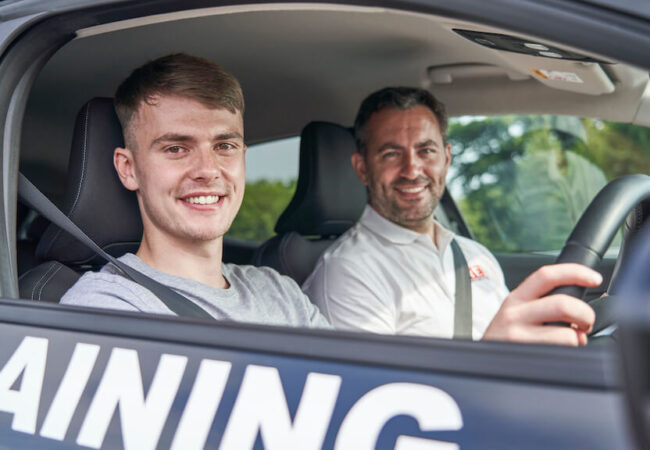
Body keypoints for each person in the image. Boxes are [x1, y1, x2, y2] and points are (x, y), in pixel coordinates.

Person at [303, 87, 600, 345]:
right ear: (362, 168)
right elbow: (370, 397)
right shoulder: (348, 271)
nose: (412, 170)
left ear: (447, 159)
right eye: (391, 154)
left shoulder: (474, 255)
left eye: (426, 151)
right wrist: (490, 355)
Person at [61, 54, 329, 329]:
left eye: (224, 146)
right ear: (128, 169)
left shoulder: (281, 293)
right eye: (176, 149)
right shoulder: (108, 308)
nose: (208, 169)